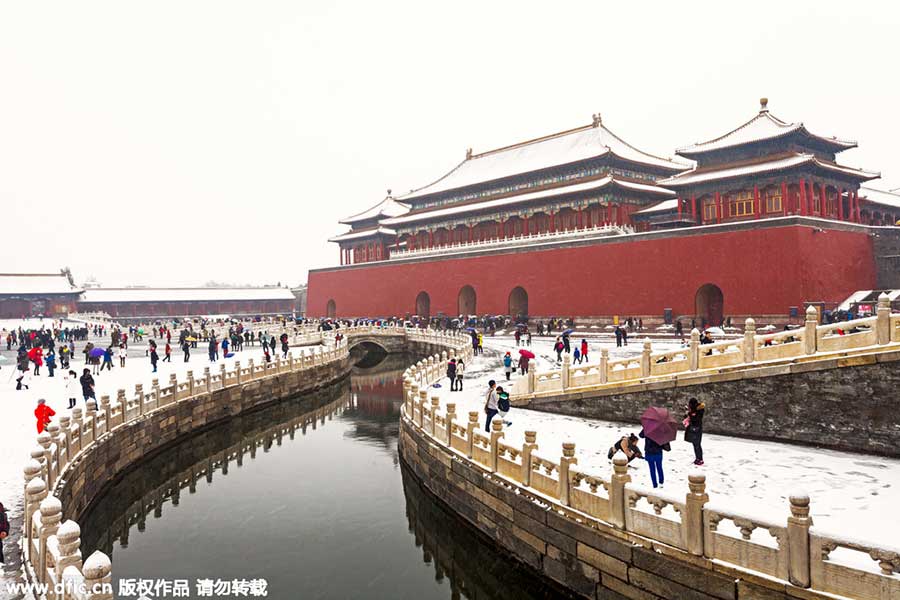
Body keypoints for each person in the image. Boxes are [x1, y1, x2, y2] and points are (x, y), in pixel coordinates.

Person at [684, 397, 706, 465]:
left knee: (697, 444)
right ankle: (697, 458)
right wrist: (687, 415)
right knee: (695, 444)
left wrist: (690, 414)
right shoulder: (693, 410)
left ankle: (700, 459)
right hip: (694, 428)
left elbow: (696, 418)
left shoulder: (699, 410)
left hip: (697, 428)